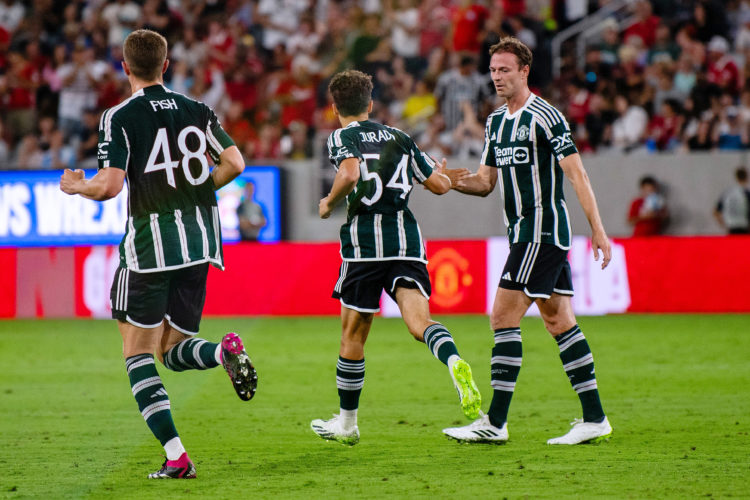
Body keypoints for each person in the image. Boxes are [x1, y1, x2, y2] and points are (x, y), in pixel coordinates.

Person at [59, 29, 257, 479]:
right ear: (165, 65)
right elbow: (236, 163)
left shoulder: (119, 116)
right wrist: (197, 190)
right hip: (201, 243)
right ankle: (222, 355)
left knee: (138, 355)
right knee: (172, 350)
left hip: (150, 248)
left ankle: (177, 456)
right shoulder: (197, 109)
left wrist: (77, 187)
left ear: (124, 67)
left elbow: (109, 186)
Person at [441, 37, 613, 445]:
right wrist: (448, 182)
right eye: (493, 70)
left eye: (504, 70)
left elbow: (577, 174)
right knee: (559, 321)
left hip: (542, 231)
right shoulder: (495, 122)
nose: (497, 77)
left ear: (524, 72)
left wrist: (598, 229)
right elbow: (484, 183)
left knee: (502, 316)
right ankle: (595, 418)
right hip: (522, 235)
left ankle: (495, 423)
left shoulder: (546, 116)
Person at [311, 70, 481, 445]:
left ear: (335, 106)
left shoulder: (342, 136)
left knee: (353, 334)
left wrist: (328, 203)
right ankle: (453, 360)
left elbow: (351, 173)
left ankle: (347, 423)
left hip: (365, 244)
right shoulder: (400, 137)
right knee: (420, 322)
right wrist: (441, 173)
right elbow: (437, 186)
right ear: (371, 105)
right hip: (406, 241)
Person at [714, 166, 750, 234]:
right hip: (745, 227)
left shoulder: (728, 193)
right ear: (746, 178)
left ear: (736, 177)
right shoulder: (746, 193)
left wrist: (723, 224)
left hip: (731, 227)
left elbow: (716, 212)